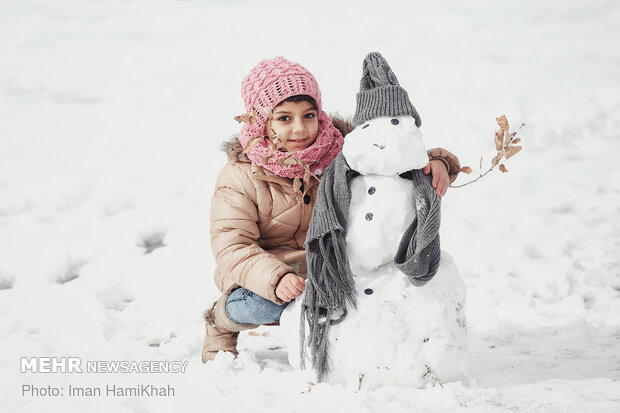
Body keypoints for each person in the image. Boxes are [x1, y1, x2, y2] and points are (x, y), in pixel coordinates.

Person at [202, 56, 461, 362]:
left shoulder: (344, 150)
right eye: (284, 118)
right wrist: (276, 277)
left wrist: (439, 162)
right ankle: (220, 321)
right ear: (261, 121)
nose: (300, 129)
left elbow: (391, 154)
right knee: (262, 305)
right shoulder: (240, 176)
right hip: (269, 271)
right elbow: (233, 245)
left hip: (334, 263)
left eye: (308, 115)